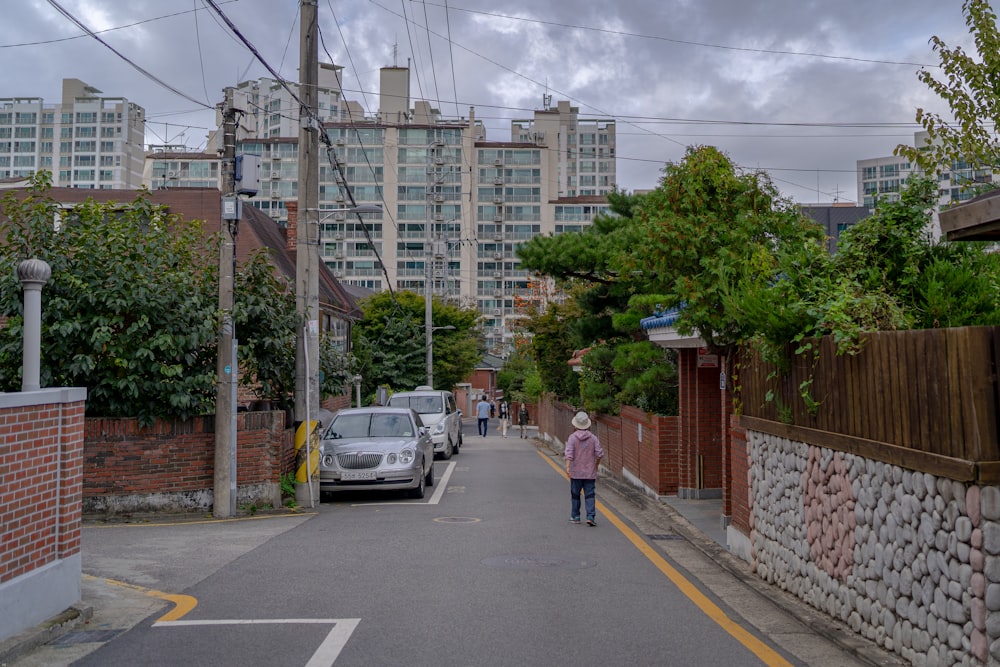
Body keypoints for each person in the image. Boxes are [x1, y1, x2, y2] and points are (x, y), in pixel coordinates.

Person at [564, 411, 604, 526]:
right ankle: (591, 516)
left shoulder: (572, 438)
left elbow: (569, 454)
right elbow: (600, 454)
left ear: (575, 425)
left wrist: (567, 467)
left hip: (575, 471)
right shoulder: (593, 438)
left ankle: (575, 516)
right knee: (590, 494)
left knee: (575, 495)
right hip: (589, 472)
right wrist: (596, 464)